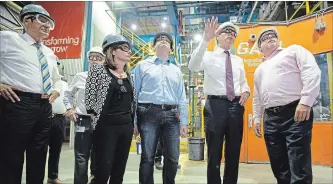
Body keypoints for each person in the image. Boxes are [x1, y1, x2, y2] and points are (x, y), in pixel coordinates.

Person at [0, 4, 63, 184]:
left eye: (50, 24)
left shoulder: (49, 52)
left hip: (44, 106)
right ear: (27, 20)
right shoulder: (8, 38)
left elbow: (57, 78)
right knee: (11, 155)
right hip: (18, 102)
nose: (47, 26)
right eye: (42, 20)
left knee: (39, 154)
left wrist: (56, 90)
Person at [253, 27, 321, 184]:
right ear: (259, 48)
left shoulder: (293, 51)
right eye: (265, 38)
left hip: (295, 112)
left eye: (273, 36)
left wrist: (306, 101)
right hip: (270, 118)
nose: (270, 37)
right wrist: (257, 117)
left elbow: (312, 71)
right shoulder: (259, 70)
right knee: (278, 164)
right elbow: (258, 97)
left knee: (299, 164)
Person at [188, 17, 250, 184]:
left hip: (236, 106)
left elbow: (243, 80)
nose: (230, 35)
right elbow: (193, 66)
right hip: (215, 106)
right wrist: (205, 39)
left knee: (234, 150)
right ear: (218, 36)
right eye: (226, 32)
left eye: (233, 33)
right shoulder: (208, 56)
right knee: (214, 152)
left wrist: (246, 90)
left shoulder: (238, 61)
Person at [134, 32, 188, 184]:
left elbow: (182, 97)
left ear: (171, 48)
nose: (163, 41)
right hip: (148, 113)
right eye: (159, 39)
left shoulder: (176, 70)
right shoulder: (142, 66)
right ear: (153, 46)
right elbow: (135, 94)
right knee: (148, 157)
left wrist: (184, 122)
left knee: (172, 157)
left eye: (166, 40)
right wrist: (134, 121)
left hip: (172, 116)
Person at [85, 34, 135, 184]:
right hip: (105, 127)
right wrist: (96, 122)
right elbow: (90, 100)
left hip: (126, 126)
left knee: (119, 171)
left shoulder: (129, 75)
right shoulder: (98, 71)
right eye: (125, 48)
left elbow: (131, 101)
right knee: (102, 171)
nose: (129, 52)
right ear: (112, 51)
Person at [63, 46, 105, 184]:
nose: (94, 60)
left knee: (99, 156)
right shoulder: (80, 77)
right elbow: (67, 95)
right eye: (91, 57)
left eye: (98, 57)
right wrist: (70, 109)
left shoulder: (108, 78)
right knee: (81, 157)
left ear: (104, 60)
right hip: (83, 121)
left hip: (102, 123)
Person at [47, 80, 68, 184]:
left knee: (56, 149)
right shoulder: (44, 81)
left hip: (60, 118)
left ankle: (52, 177)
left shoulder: (63, 84)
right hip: (44, 118)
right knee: (38, 149)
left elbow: (67, 98)